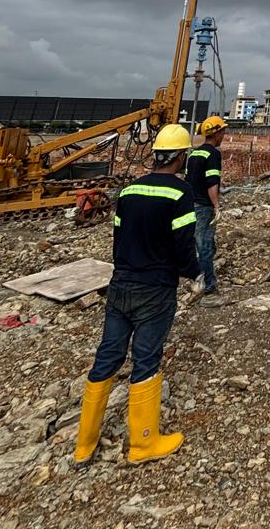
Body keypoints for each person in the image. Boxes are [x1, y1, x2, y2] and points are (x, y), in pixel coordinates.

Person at [74, 123, 203, 466]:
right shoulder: (180, 194)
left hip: (120, 284)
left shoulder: (129, 191)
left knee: (108, 355)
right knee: (146, 358)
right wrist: (193, 272)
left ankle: (84, 444)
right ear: (182, 157)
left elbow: (118, 237)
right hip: (155, 288)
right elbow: (183, 244)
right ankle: (144, 444)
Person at [185, 115, 226, 296]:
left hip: (191, 204)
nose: (223, 135)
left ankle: (197, 276)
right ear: (216, 133)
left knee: (198, 243)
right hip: (203, 206)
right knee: (205, 246)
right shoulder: (213, 154)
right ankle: (206, 284)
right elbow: (212, 182)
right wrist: (216, 205)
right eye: (223, 132)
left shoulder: (195, 153)